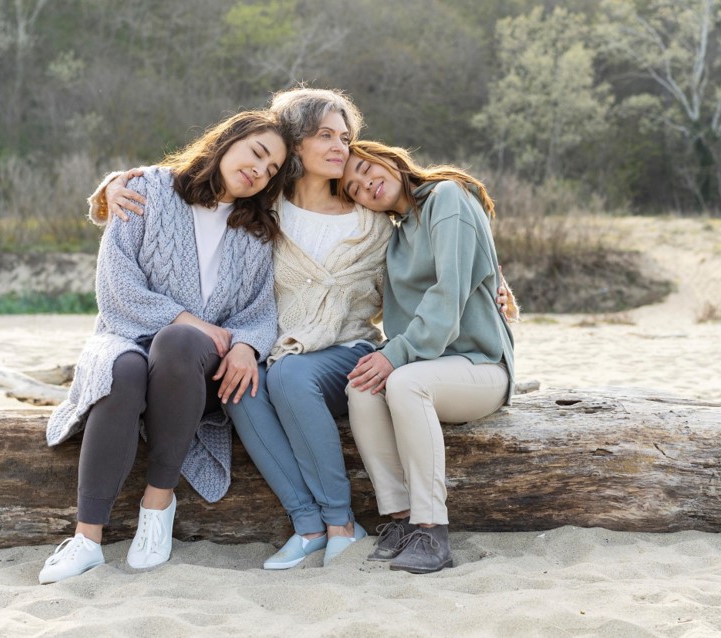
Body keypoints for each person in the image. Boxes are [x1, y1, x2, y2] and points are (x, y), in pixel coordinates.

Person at [97, 87, 391, 569]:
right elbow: (188, 197)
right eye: (325, 135)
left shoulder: (370, 216)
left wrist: (492, 286)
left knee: (287, 376)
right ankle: (308, 525)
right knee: (240, 387)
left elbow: (422, 247)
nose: (341, 146)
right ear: (294, 144)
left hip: (344, 350)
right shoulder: (261, 211)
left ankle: (341, 521)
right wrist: (110, 187)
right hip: (274, 350)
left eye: (345, 136)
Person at [38, 110, 286, 584]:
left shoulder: (256, 232)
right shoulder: (148, 189)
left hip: (196, 366)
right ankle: (87, 539)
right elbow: (116, 284)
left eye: (272, 169)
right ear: (227, 140)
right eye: (257, 153)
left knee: (176, 341)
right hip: (124, 333)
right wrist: (185, 316)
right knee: (122, 369)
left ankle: (158, 504)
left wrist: (247, 347)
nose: (260, 170)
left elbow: (258, 313)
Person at [340, 140, 515, 575]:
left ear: (389, 157)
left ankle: (431, 530)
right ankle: (400, 522)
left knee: (402, 380)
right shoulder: (397, 239)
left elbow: (449, 294)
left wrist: (395, 354)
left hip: (481, 366)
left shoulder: (447, 197)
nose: (366, 184)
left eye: (365, 168)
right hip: (433, 368)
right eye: (354, 188)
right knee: (361, 388)